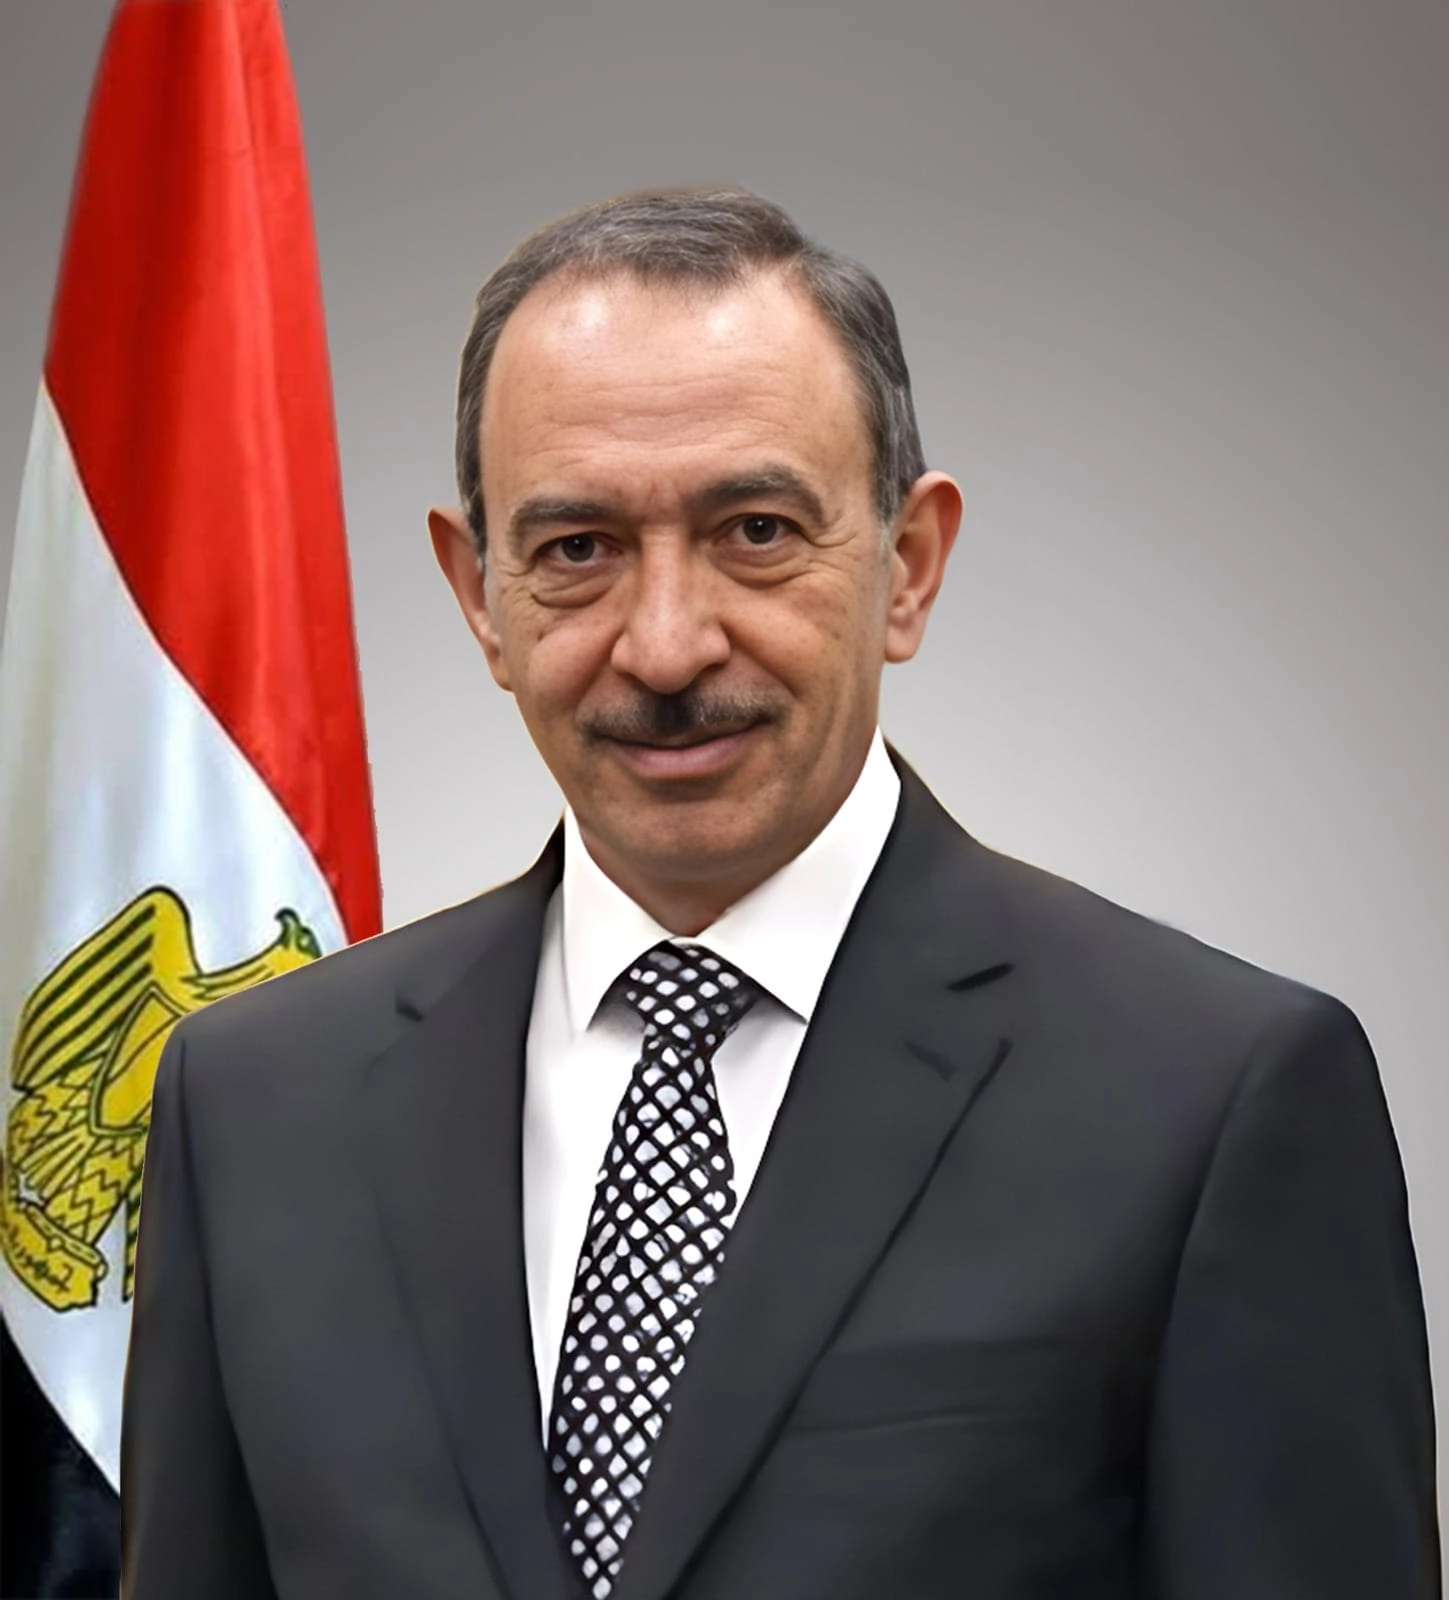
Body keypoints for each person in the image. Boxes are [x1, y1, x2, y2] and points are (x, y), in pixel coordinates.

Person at [120, 188, 1440, 1600]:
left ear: (908, 568)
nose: (667, 646)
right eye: (577, 551)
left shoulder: (1216, 1100)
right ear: (480, 594)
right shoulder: (254, 1107)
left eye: (754, 530)